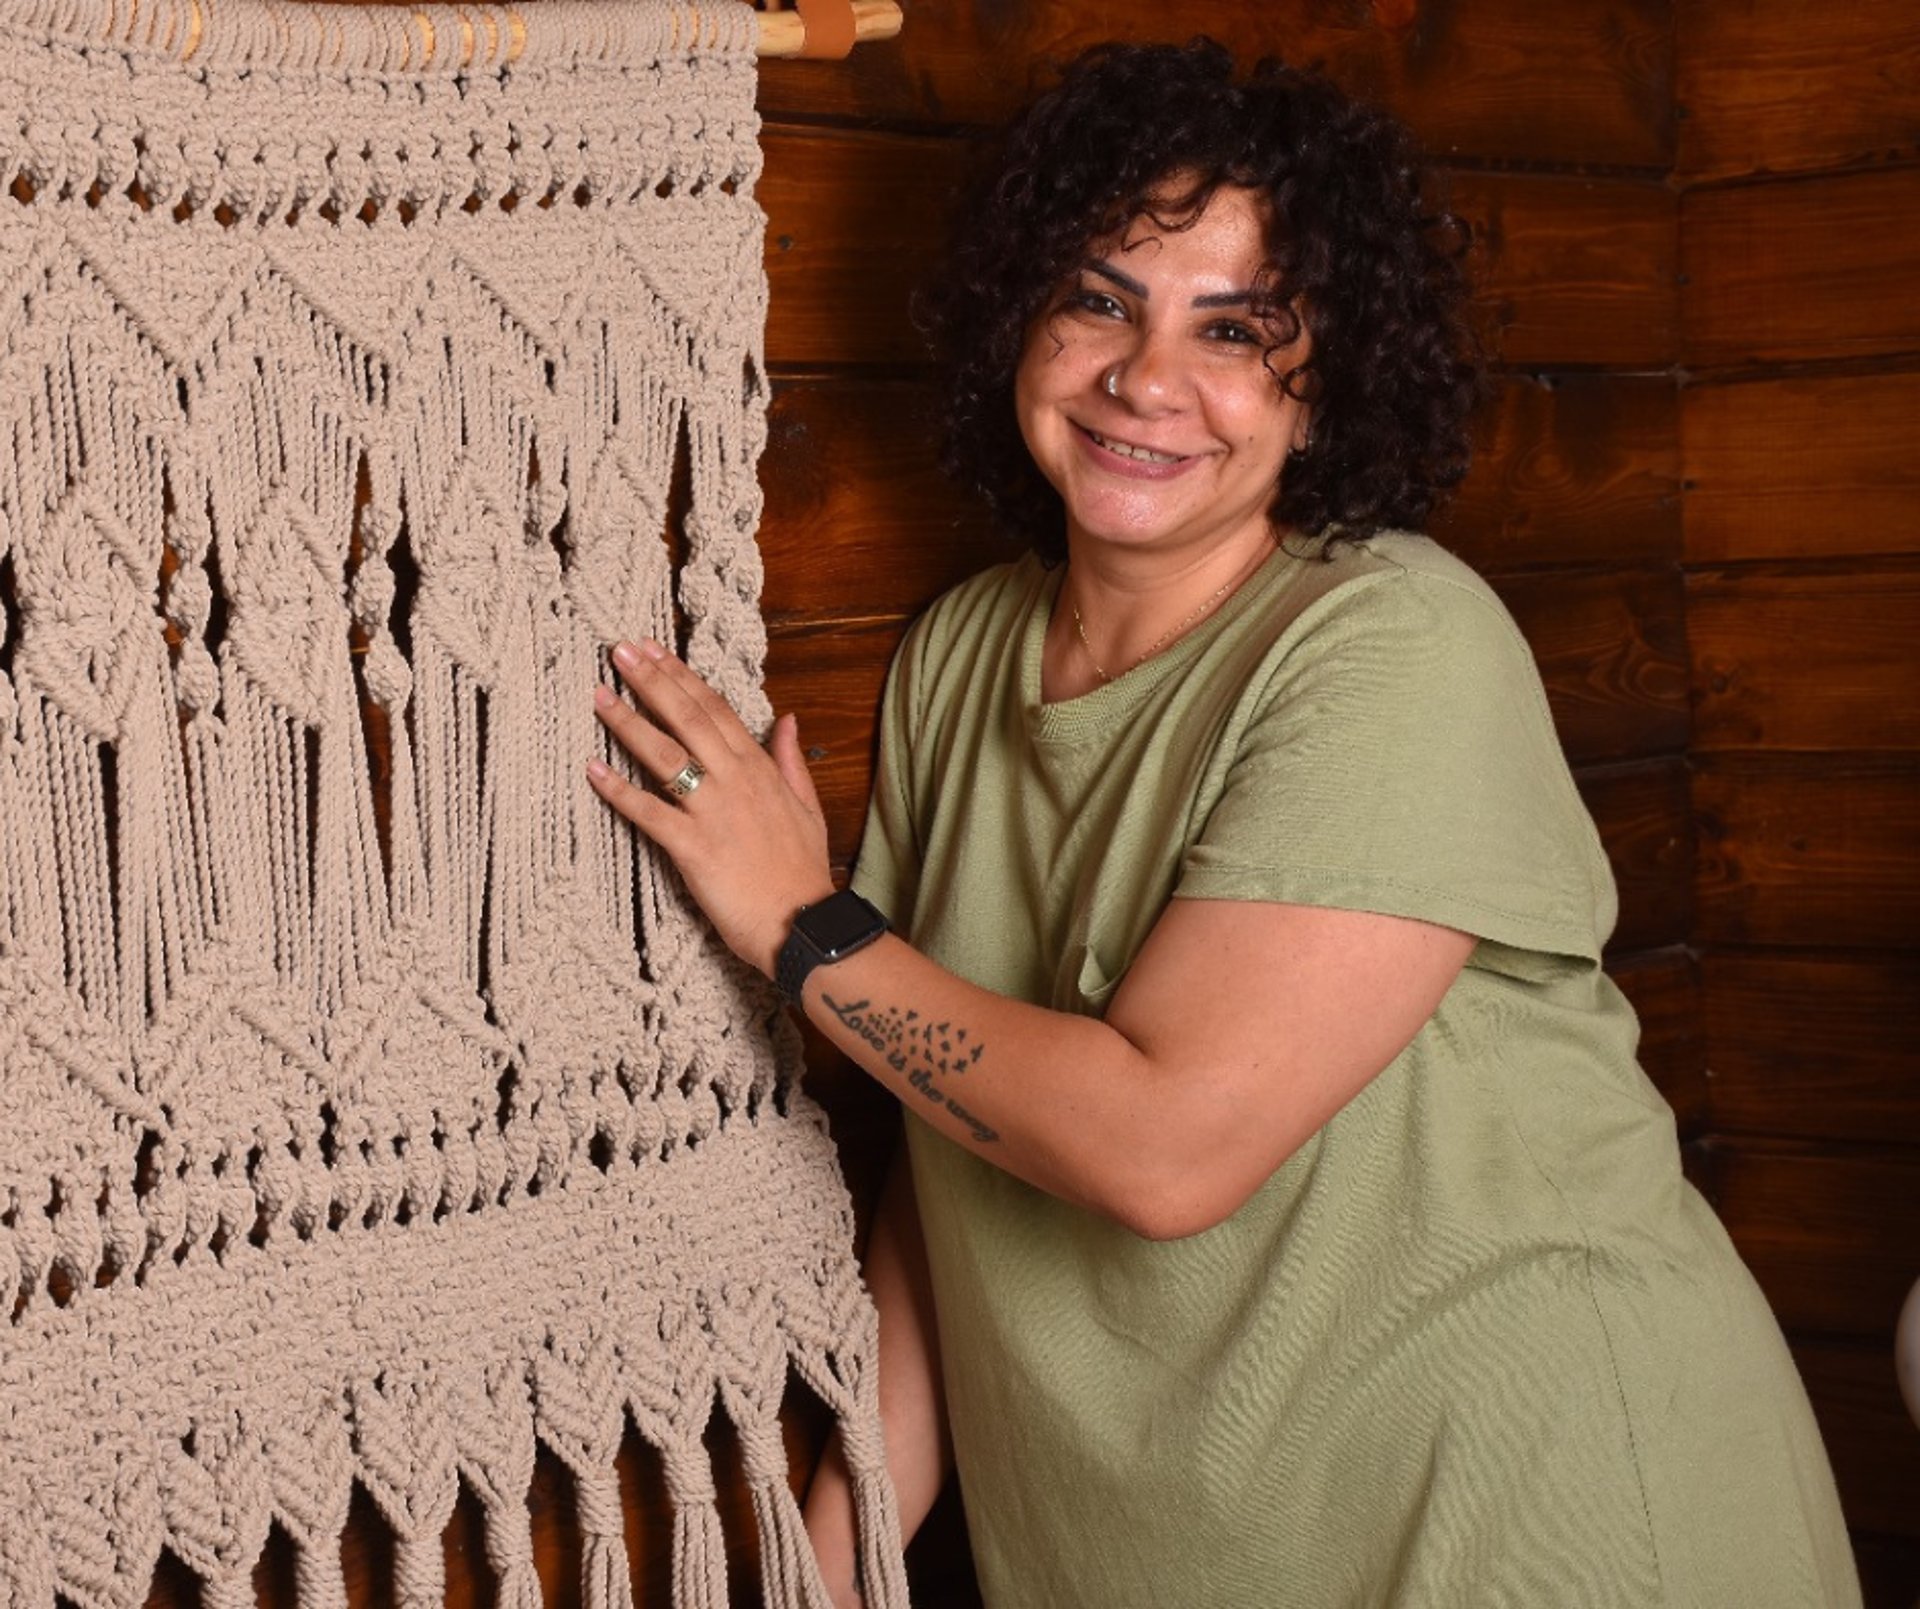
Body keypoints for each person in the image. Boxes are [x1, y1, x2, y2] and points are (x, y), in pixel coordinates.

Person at [585, 39, 1860, 1609]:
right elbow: (965, 1144)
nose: (1145, 378)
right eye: (1099, 299)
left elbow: (1163, 1146)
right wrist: (826, 1563)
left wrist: (801, 924)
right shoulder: (959, 656)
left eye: (1237, 329)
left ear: (1327, 387)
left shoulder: (1396, 643)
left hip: (1537, 1516)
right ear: (1018, 318)